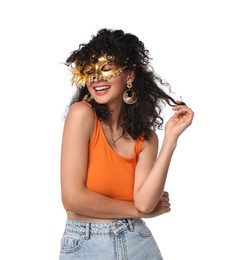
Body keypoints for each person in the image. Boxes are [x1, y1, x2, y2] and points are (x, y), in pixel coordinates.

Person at [59, 28, 194, 260]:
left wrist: (171, 139)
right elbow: (73, 198)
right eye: (89, 71)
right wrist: (138, 211)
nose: (96, 78)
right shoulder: (81, 114)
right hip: (87, 243)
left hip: (138, 242)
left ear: (129, 75)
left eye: (107, 68)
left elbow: (145, 201)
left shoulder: (146, 137)